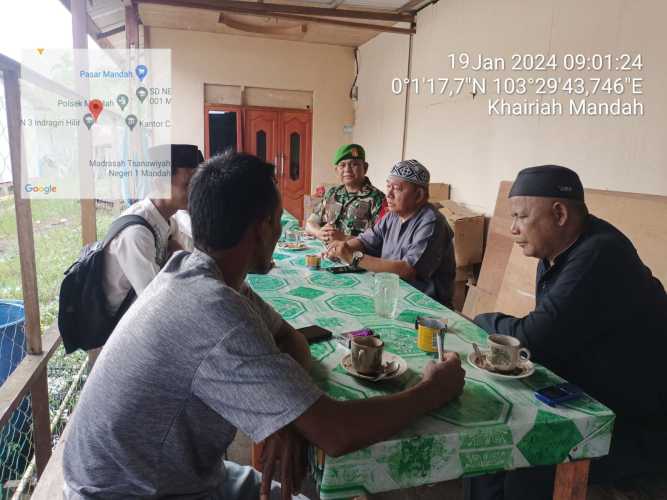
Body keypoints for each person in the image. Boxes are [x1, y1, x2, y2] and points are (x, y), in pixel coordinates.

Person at [62, 151, 466, 500]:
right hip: (128, 492)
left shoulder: (199, 272)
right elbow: (337, 432)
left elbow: (289, 338)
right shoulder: (214, 310)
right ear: (260, 230)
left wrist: (286, 412)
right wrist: (433, 390)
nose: (280, 231)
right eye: (277, 221)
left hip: (174, 477)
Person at [466, 165, 667, 500]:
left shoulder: (599, 253)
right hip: (589, 392)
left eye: (520, 216)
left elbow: (532, 341)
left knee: (524, 468)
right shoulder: (558, 253)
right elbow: (549, 336)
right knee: (487, 444)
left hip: (635, 422)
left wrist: (481, 319)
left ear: (559, 214)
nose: (513, 228)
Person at [326, 159, 456, 307]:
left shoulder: (431, 222)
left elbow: (407, 270)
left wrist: (354, 257)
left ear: (419, 195)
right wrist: (340, 249)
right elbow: (365, 241)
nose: (389, 194)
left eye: (397, 188)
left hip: (425, 306)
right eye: (388, 186)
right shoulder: (392, 216)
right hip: (393, 295)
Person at [102, 144, 203, 316]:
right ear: (160, 183)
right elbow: (155, 303)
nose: (195, 193)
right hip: (117, 328)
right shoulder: (136, 233)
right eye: (187, 185)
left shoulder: (170, 221)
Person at [305, 144, 386, 243]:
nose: (347, 169)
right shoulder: (332, 193)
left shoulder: (378, 199)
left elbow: (379, 241)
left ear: (365, 168)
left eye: (354, 164)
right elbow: (310, 223)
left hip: (353, 256)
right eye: (342, 165)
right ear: (336, 170)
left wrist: (344, 238)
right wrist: (319, 233)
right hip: (324, 252)